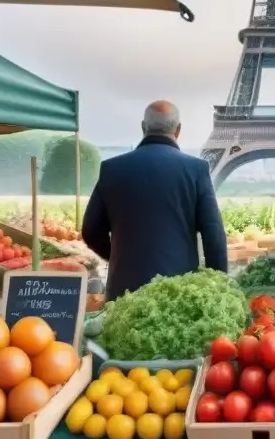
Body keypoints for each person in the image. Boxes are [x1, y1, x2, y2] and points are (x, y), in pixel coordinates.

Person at [81, 101, 228, 301]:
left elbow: (90, 231)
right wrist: (219, 285)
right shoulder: (196, 170)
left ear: (144, 127)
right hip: (178, 292)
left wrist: (118, 258)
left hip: (124, 292)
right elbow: (214, 236)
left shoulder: (112, 169)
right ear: (178, 130)